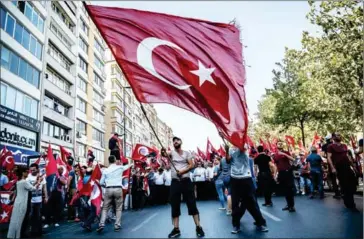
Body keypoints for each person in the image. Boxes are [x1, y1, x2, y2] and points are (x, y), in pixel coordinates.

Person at [161, 136, 205, 238]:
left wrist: (182, 171)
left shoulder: (187, 153)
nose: (175, 141)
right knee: (175, 205)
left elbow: (191, 165)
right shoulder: (171, 153)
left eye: (177, 140)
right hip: (175, 182)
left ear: (181, 142)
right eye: (174, 141)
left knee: (192, 204)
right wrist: (162, 151)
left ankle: (198, 227)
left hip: (186, 182)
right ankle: (176, 229)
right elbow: (164, 154)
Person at [225, 142, 268, 234]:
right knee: (235, 204)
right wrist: (226, 150)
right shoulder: (231, 149)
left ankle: (260, 223)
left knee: (252, 202)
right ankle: (236, 225)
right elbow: (228, 161)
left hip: (246, 178)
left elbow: (241, 150)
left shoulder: (244, 145)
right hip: (235, 179)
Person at [97, 155, 133, 233]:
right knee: (118, 208)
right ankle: (117, 225)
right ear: (115, 160)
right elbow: (129, 165)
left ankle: (101, 224)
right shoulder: (120, 167)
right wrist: (131, 161)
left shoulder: (105, 171)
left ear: (109, 161)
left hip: (109, 189)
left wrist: (106, 185)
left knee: (105, 208)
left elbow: (101, 182)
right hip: (118, 189)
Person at [327, 134, 358, 211]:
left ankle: (346, 196)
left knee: (353, 182)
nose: (339, 136)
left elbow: (347, 156)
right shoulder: (330, 146)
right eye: (337, 135)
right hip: (339, 167)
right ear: (333, 138)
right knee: (345, 185)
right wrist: (332, 168)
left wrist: (353, 166)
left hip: (347, 166)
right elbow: (329, 157)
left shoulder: (344, 145)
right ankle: (351, 204)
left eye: (340, 135)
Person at [7, 166, 41, 239]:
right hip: (22, 203)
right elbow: (33, 189)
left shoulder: (19, 181)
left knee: (14, 220)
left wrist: (36, 182)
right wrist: (38, 182)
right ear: (23, 173)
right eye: (26, 171)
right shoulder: (24, 182)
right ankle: (17, 236)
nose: (28, 172)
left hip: (18, 202)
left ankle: (12, 235)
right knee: (19, 221)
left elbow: (29, 186)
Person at [26, 163, 48, 237]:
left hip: (39, 200)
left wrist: (46, 197)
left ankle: (39, 231)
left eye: (34, 170)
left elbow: (44, 188)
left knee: (39, 216)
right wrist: (36, 181)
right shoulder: (28, 177)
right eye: (31, 170)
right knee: (31, 216)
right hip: (31, 200)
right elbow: (28, 188)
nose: (32, 171)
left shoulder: (42, 177)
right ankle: (30, 230)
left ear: (37, 169)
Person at [274, 142, 296, 212]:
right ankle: (288, 205)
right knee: (285, 190)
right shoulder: (275, 155)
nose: (280, 145)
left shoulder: (286, 152)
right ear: (276, 146)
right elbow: (276, 165)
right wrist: (275, 174)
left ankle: (292, 206)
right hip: (281, 173)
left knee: (290, 189)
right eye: (278, 144)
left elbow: (292, 159)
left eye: (281, 144)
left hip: (288, 172)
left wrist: (284, 154)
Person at [322, 135, 341, 199]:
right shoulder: (335, 144)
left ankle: (337, 193)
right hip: (338, 162)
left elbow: (323, 155)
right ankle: (343, 191)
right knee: (340, 176)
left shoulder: (324, 146)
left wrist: (327, 157)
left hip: (331, 163)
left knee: (333, 178)